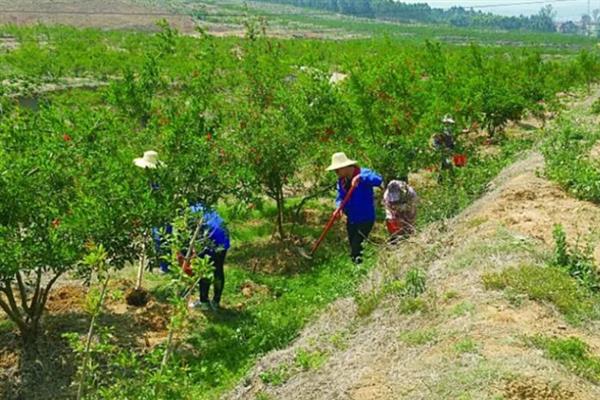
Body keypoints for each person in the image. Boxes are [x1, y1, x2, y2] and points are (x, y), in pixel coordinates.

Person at [152, 203, 230, 311]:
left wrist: (183, 259)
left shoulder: (186, 215)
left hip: (210, 236)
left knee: (203, 267)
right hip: (223, 234)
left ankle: (204, 302)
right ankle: (216, 301)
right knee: (218, 268)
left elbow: (186, 243)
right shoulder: (201, 206)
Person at [326, 152, 382, 264]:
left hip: (365, 218)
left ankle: (359, 271)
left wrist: (361, 178)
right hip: (351, 219)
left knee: (357, 246)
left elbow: (378, 180)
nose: (336, 172)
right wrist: (339, 207)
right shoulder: (342, 181)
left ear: (345, 167)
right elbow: (340, 197)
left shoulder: (363, 173)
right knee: (353, 245)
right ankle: (357, 268)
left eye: (337, 170)